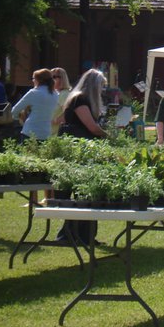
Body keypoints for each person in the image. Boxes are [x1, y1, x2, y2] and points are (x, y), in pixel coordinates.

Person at [57, 69, 109, 244]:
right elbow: (92, 127)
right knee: (82, 192)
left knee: (87, 193)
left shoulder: (81, 99)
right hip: (78, 150)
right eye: (101, 85)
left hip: (83, 149)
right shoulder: (80, 99)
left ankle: (84, 235)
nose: (102, 89)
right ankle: (72, 234)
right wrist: (109, 136)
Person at [11, 69, 59, 141]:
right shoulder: (55, 94)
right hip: (46, 133)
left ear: (38, 80)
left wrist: (18, 118)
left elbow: (15, 110)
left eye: (33, 78)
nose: (33, 81)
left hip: (30, 132)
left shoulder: (33, 93)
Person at [50, 67, 72, 136]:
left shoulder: (64, 94)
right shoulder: (55, 93)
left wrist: (52, 121)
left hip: (56, 135)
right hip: (49, 133)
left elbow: (67, 115)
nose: (50, 80)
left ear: (62, 79)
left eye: (53, 77)